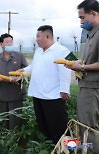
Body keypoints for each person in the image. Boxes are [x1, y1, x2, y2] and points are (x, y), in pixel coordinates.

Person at [18, 25, 71, 143]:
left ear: (47, 36)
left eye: (38, 36)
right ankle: (49, 145)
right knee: (43, 122)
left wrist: (64, 89)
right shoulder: (38, 51)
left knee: (58, 124)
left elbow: (67, 69)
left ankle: (65, 147)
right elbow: (34, 66)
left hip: (53, 95)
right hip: (38, 93)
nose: (36, 39)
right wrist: (24, 70)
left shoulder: (63, 50)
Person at [67, 0, 99, 153]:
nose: (81, 21)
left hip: (93, 88)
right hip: (86, 86)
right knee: (85, 124)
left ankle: (91, 151)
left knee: (89, 128)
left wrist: (82, 67)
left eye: (82, 17)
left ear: (94, 14)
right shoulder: (89, 35)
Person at [0, 33, 28, 130]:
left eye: (11, 42)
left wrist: (18, 78)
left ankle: (15, 139)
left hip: (16, 93)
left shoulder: (19, 56)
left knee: (15, 120)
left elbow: (26, 70)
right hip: (3, 93)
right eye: (7, 42)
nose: (10, 44)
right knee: (5, 120)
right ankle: (6, 138)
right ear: (1, 44)